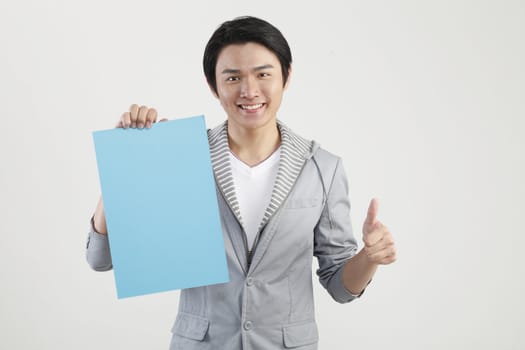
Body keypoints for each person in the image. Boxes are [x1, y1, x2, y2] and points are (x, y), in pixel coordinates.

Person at [86, 16, 396, 349]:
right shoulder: (181, 157)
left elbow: (340, 286)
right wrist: (122, 165)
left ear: (286, 77)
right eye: (233, 77)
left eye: (263, 74)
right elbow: (101, 259)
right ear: (213, 85)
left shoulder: (323, 167)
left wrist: (369, 257)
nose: (249, 91)